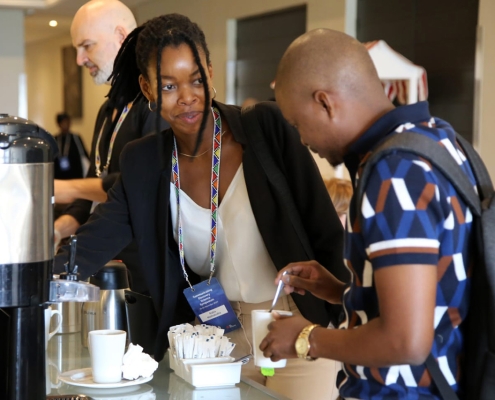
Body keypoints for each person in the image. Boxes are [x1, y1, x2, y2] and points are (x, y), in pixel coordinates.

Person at [54, 14, 348, 400]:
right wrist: (45, 275)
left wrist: (344, 313)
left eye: (196, 79)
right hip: (212, 342)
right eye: (169, 86)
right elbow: (98, 236)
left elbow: (324, 228)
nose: (187, 96)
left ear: (210, 72)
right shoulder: (145, 163)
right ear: (147, 88)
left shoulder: (264, 128)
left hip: (297, 325)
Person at [260, 28, 476, 399]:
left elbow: (406, 340)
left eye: (297, 124)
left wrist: (306, 338)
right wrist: (341, 291)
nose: (301, 141)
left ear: (325, 103)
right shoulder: (439, 139)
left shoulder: (394, 172)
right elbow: (433, 295)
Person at [54, 0, 167, 294]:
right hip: (110, 265)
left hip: (149, 272)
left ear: (121, 36)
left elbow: (137, 185)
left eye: (87, 46)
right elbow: (94, 183)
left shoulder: (153, 105)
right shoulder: (108, 111)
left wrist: (67, 188)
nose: (79, 59)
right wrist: (56, 230)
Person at [53, 112, 89, 180]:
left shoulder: (75, 138)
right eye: (63, 122)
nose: (65, 124)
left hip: (75, 176)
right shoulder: (55, 139)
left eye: (67, 122)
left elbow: (84, 155)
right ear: (59, 124)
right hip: (59, 177)